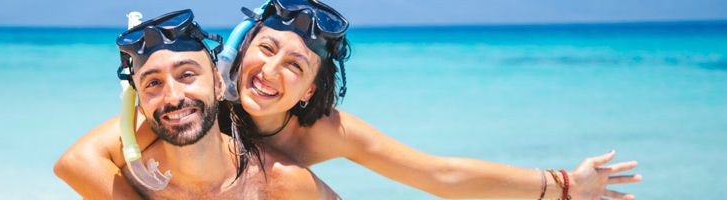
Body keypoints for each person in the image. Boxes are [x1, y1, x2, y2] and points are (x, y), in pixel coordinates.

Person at [56, 1, 642, 199]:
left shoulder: (317, 137)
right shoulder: (187, 100)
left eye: (295, 66)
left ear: (311, 87)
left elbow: (439, 174)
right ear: (236, 54)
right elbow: (77, 162)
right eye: (265, 50)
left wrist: (561, 184)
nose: (269, 72)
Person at [55, 9, 338, 199]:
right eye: (153, 83)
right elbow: (73, 163)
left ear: (218, 84)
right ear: (139, 101)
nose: (174, 96)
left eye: (187, 74)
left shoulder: (276, 181)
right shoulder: (131, 183)